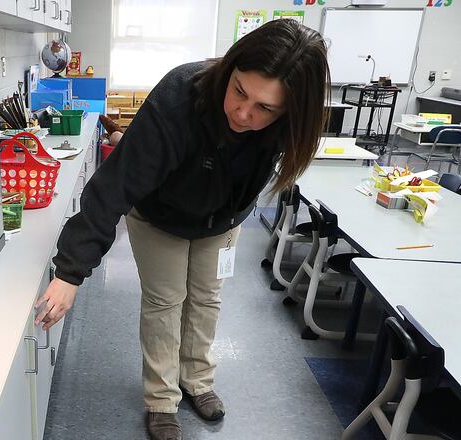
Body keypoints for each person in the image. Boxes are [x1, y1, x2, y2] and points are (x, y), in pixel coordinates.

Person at [35, 19, 330, 440]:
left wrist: (228, 216)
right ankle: (160, 399)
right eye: (239, 91)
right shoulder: (180, 96)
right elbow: (115, 185)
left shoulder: (289, 125)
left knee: (206, 298)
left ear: (289, 112)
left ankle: (198, 381)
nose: (243, 113)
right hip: (160, 216)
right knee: (165, 301)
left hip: (221, 220)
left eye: (265, 108)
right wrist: (69, 273)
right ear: (229, 70)